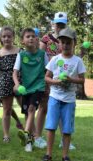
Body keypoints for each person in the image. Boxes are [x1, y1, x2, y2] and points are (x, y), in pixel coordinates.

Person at [42, 27, 86, 161]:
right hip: (54, 98)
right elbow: (46, 78)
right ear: (59, 44)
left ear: (74, 43)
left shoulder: (78, 61)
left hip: (69, 100)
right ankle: (48, 154)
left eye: (69, 42)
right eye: (63, 42)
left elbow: (82, 79)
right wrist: (57, 82)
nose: (66, 45)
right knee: (51, 126)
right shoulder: (55, 59)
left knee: (67, 129)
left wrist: (70, 79)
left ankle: (65, 155)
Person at [39, 12, 77, 150]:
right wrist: (46, 78)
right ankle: (37, 137)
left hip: (64, 82)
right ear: (53, 24)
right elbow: (40, 57)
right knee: (44, 107)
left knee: (63, 108)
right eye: (57, 24)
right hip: (48, 75)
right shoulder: (45, 38)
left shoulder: (68, 38)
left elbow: (73, 59)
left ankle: (64, 139)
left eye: (62, 24)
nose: (59, 26)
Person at [13, 28, 49, 152]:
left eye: (33, 36)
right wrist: (17, 84)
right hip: (26, 88)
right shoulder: (21, 55)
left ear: (37, 39)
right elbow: (15, 73)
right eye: (28, 36)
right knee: (28, 114)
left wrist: (48, 87)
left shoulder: (42, 54)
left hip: (39, 86)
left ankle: (26, 132)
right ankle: (29, 142)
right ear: (22, 41)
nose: (31, 38)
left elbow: (48, 72)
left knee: (31, 109)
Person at [0, 26, 24, 142]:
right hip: (4, 82)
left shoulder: (20, 51)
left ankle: (30, 131)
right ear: (0, 38)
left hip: (19, 81)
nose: (6, 38)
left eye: (9, 36)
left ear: (13, 37)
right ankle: (6, 135)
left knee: (25, 107)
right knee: (7, 110)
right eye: (4, 36)